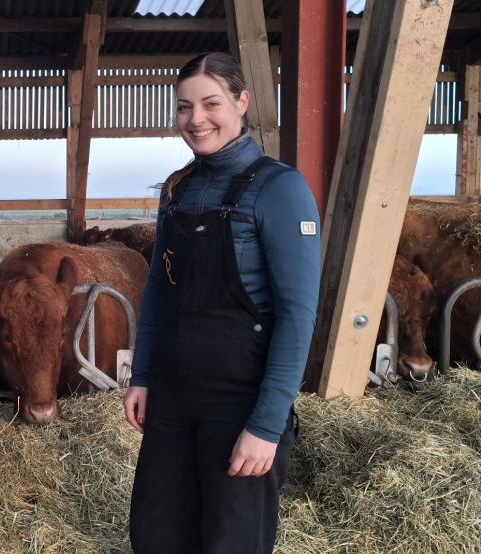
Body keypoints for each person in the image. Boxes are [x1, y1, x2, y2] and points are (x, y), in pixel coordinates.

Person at [123, 52, 320, 554]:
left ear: (241, 102)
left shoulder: (280, 188)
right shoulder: (178, 190)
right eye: (184, 107)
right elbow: (159, 295)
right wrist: (142, 376)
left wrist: (266, 425)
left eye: (211, 103)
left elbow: (297, 314)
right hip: (171, 396)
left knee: (230, 540)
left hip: (239, 401)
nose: (196, 119)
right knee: (156, 533)